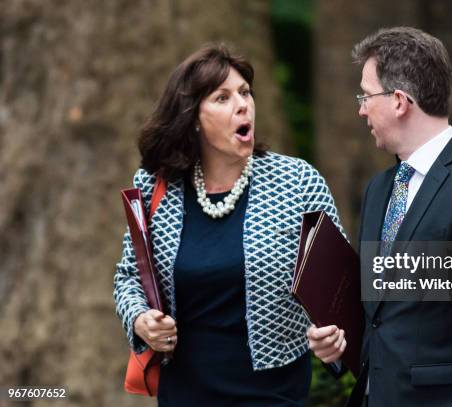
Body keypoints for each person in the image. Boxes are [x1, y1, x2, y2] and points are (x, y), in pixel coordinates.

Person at [113, 43, 343, 406]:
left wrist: (334, 339)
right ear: (193, 118)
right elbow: (128, 276)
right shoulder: (155, 186)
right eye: (222, 98)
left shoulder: (298, 181)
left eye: (245, 92)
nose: (242, 104)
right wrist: (141, 320)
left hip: (274, 394)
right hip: (184, 393)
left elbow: (338, 287)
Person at [307, 27, 452, 407]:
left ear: (400, 101)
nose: (361, 109)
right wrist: (338, 350)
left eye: (366, 95)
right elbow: (379, 319)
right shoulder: (378, 190)